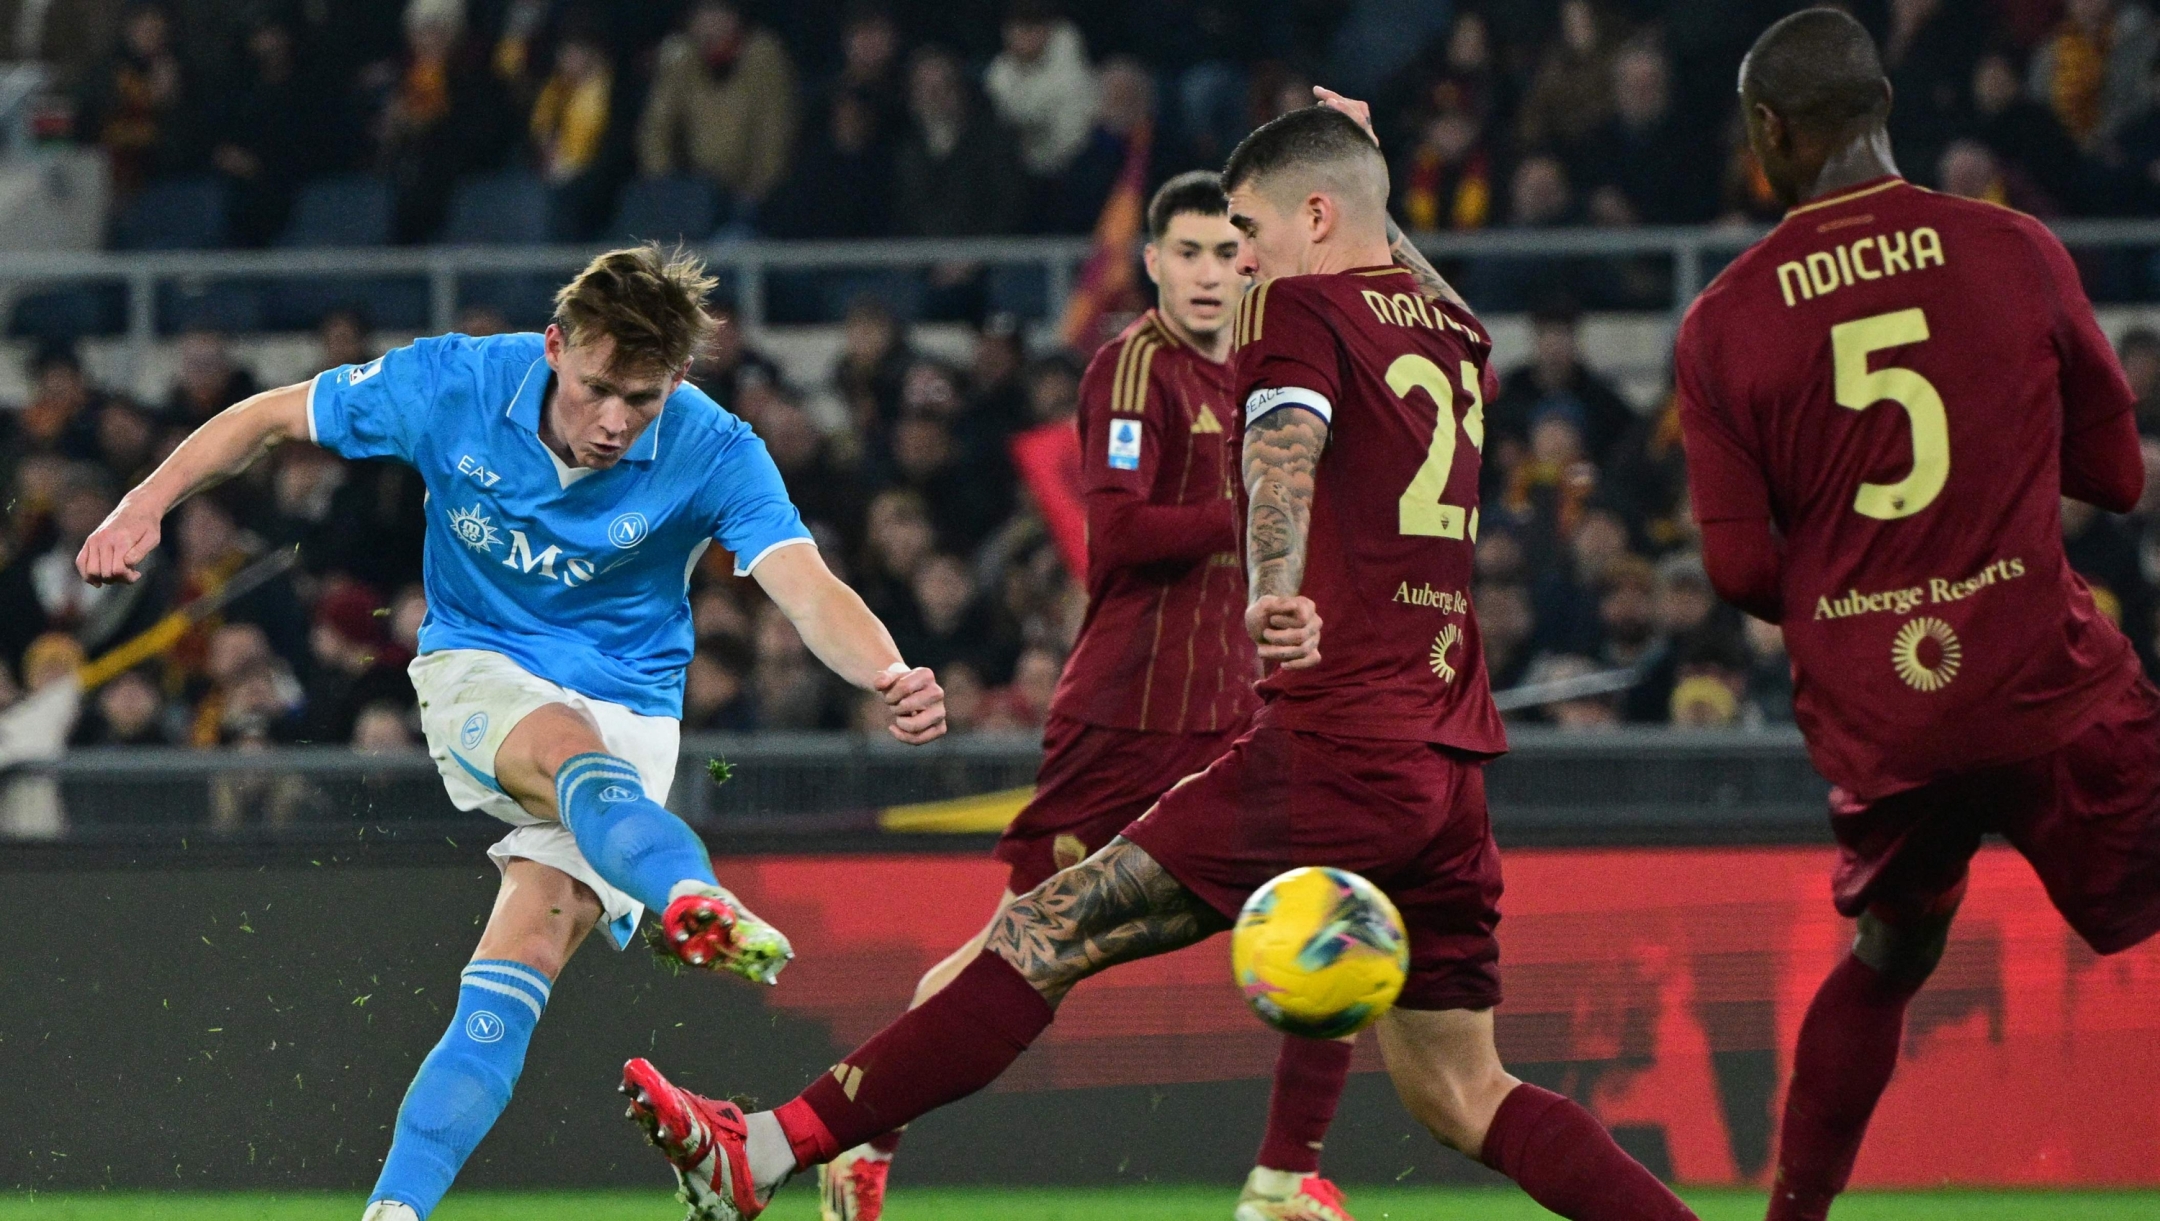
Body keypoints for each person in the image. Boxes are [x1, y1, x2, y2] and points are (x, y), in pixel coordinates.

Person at [618, 99, 1699, 1221]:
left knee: (1045, 929)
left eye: (1250, 231)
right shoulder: (1450, 335)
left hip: (1336, 739)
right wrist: (1367, 170)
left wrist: (1274, 591)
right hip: (1446, 760)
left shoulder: (1293, 306)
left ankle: (770, 1150)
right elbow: (1403, 273)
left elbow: (1284, 448)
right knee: (1467, 1093)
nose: (1242, 263)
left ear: (1313, 218)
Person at [74, 244, 949, 1221]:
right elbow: (267, 417)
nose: (617, 421)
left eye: (645, 399)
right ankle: (690, 896)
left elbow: (805, 585)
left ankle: (393, 1213)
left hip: (636, 710)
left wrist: (889, 669)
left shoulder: (715, 445)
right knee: (565, 747)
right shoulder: (452, 382)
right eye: (599, 389)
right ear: (551, 349)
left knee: (511, 975)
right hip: (481, 667)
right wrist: (146, 502)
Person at [1671, 12, 2158, 1221]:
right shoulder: (2012, 248)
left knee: (1891, 957)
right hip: (2043, 681)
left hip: (1887, 715)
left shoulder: (1723, 319)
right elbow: (2120, 479)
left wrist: (1858, 585)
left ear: (1769, 132)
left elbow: (1735, 573)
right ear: (1885, 111)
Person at [816, 171, 1362, 1221]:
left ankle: (1285, 1178)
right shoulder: (1132, 369)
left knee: (1335, 906)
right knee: (1016, 950)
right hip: (1129, 719)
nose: (1210, 273)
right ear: (1152, 262)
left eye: (1226, 253)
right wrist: (1253, 505)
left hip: (1241, 718)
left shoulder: (1258, 380)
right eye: (1189, 253)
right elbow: (1119, 534)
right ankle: (857, 1132)